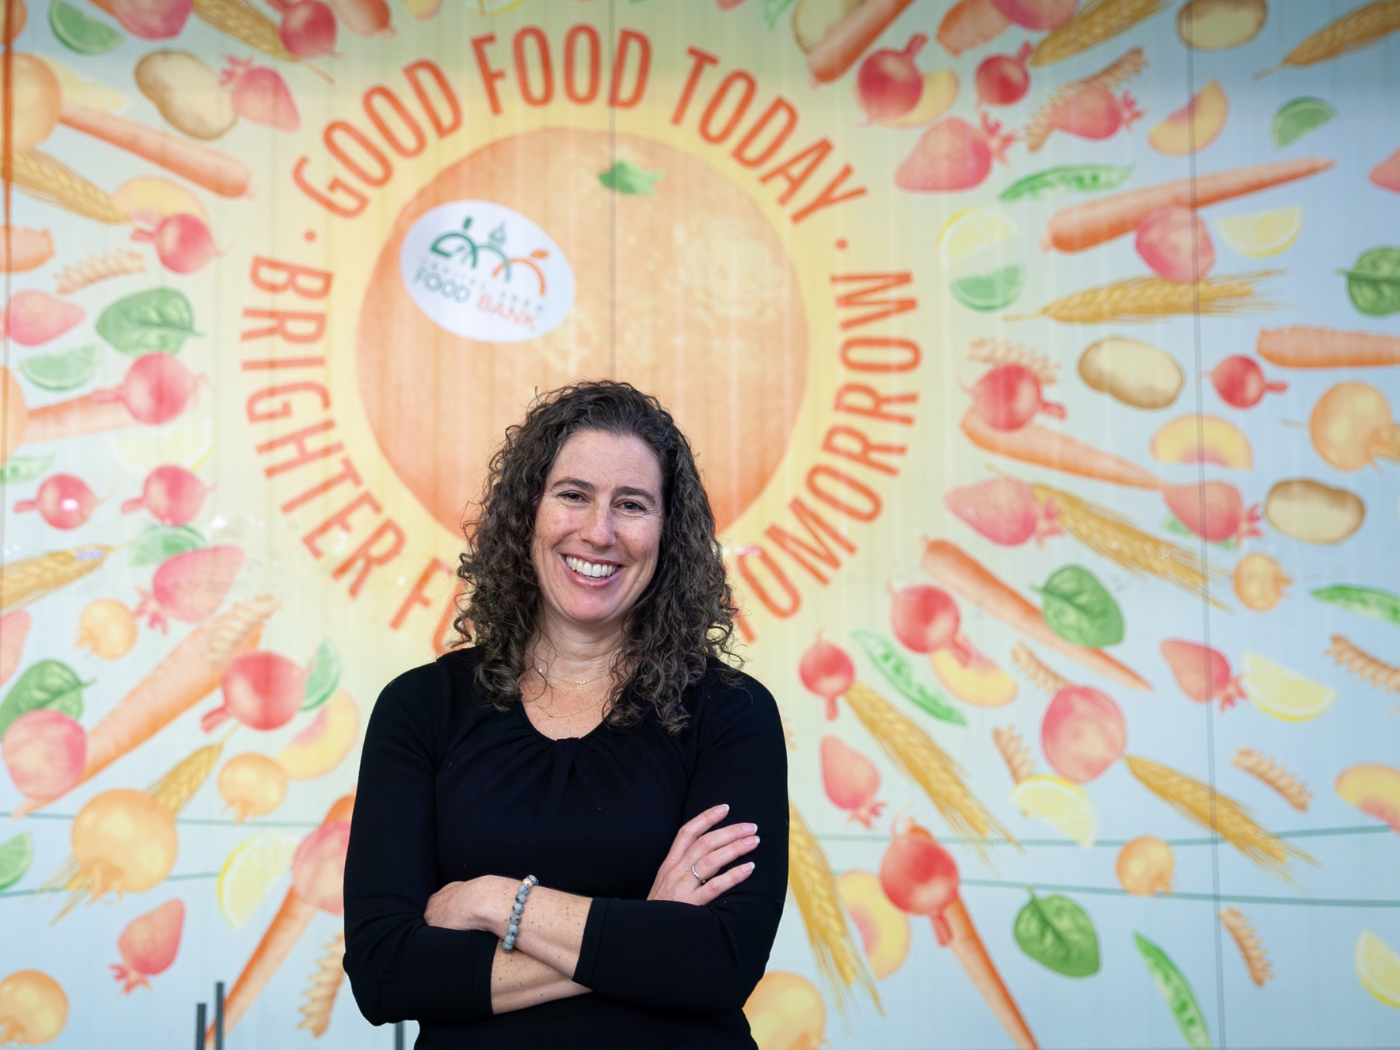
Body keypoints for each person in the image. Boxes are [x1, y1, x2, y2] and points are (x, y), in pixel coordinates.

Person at [343, 381, 789, 1048]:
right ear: (529, 513)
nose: (599, 532)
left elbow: (718, 962)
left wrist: (498, 902)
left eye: (631, 505)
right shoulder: (422, 708)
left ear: (669, 536)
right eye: (573, 495)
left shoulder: (731, 714)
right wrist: (647, 924)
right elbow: (387, 976)